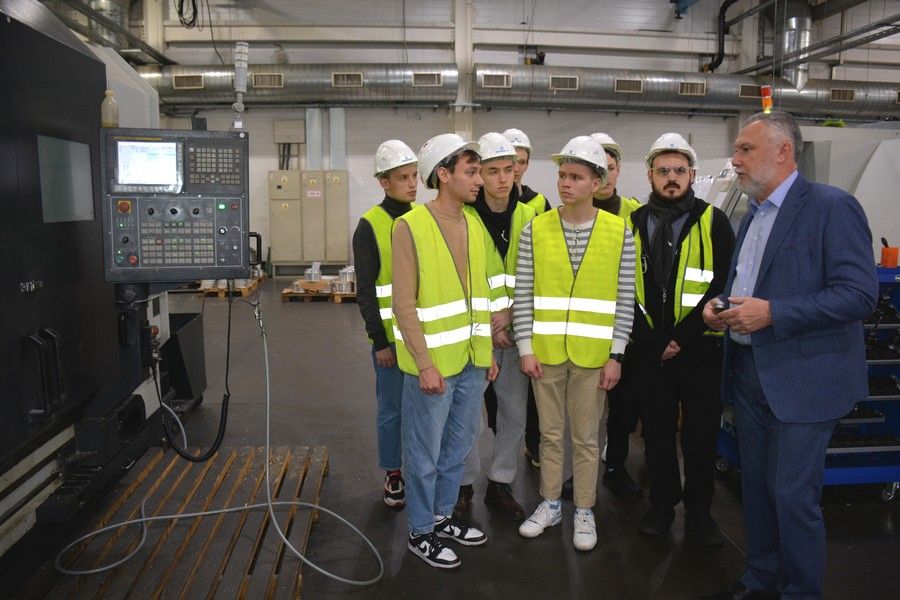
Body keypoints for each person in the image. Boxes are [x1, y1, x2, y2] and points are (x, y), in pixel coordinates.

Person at [702, 112, 877, 599]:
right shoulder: (753, 215)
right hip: (749, 372)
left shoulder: (832, 207)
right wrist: (721, 307)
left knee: (792, 496)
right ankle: (761, 578)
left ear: (783, 151)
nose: (735, 159)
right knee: (757, 488)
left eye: (745, 149)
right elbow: (749, 285)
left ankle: (800, 591)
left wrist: (773, 313)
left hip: (804, 379)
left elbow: (859, 294)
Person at [514, 136, 635, 551]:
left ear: (596, 182)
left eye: (576, 177)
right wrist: (525, 346)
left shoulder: (620, 232)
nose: (565, 183)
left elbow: (624, 299)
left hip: (593, 355)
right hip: (545, 352)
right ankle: (550, 503)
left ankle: (584, 508)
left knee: (586, 439)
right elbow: (524, 293)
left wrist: (617, 354)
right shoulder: (536, 229)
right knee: (549, 435)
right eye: (562, 175)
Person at [392, 133, 500, 570]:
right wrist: (424, 364)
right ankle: (420, 531)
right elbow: (403, 303)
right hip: (433, 366)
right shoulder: (411, 226)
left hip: (472, 361)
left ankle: (441, 517)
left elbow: (482, 295)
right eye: (471, 172)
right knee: (424, 454)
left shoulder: (473, 223)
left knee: (457, 448)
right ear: (443, 174)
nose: (479, 181)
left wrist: (487, 353)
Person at [627, 132, 735, 545]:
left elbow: (724, 284)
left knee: (700, 436)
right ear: (650, 175)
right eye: (663, 171)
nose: (671, 178)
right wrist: (653, 341)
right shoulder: (631, 225)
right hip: (650, 351)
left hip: (700, 349)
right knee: (656, 434)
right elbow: (622, 289)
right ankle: (661, 506)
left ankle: (700, 513)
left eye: (679, 170)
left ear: (692, 174)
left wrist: (681, 338)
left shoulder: (714, 221)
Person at [456, 133, 536, 522]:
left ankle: (501, 482)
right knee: (469, 417)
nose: (503, 178)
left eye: (509, 169)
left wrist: (513, 315)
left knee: (514, 415)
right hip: (476, 334)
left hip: (516, 332)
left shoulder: (531, 217)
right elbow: (459, 279)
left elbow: (540, 277)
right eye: (492, 171)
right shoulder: (463, 218)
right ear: (480, 174)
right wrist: (489, 323)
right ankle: (463, 485)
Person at [562, 132, 644, 502]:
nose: (606, 175)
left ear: (616, 170)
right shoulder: (565, 215)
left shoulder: (635, 214)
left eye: (610, 168)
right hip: (582, 333)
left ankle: (615, 467)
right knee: (580, 416)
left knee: (622, 410)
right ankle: (577, 477)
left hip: (624, 328)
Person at [351, 139, 418, 508]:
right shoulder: (370, 226)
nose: (411, 184)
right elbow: (365, 291)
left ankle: (421, 469)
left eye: (414, 176)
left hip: (421, 337)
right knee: (392, 410)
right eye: (402, 178)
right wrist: (379, 342)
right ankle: (393, 474)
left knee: (422, 411)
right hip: (391, 341)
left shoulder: (421, 219)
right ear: (384, 182)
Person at [503, 127, 550, 468]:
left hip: (525, 312)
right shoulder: (477, 206)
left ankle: (533, 445)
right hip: (492, 318)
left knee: (529, 393)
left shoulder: (537, 204)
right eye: (509, 162)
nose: (515, 169)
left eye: (520, 163)